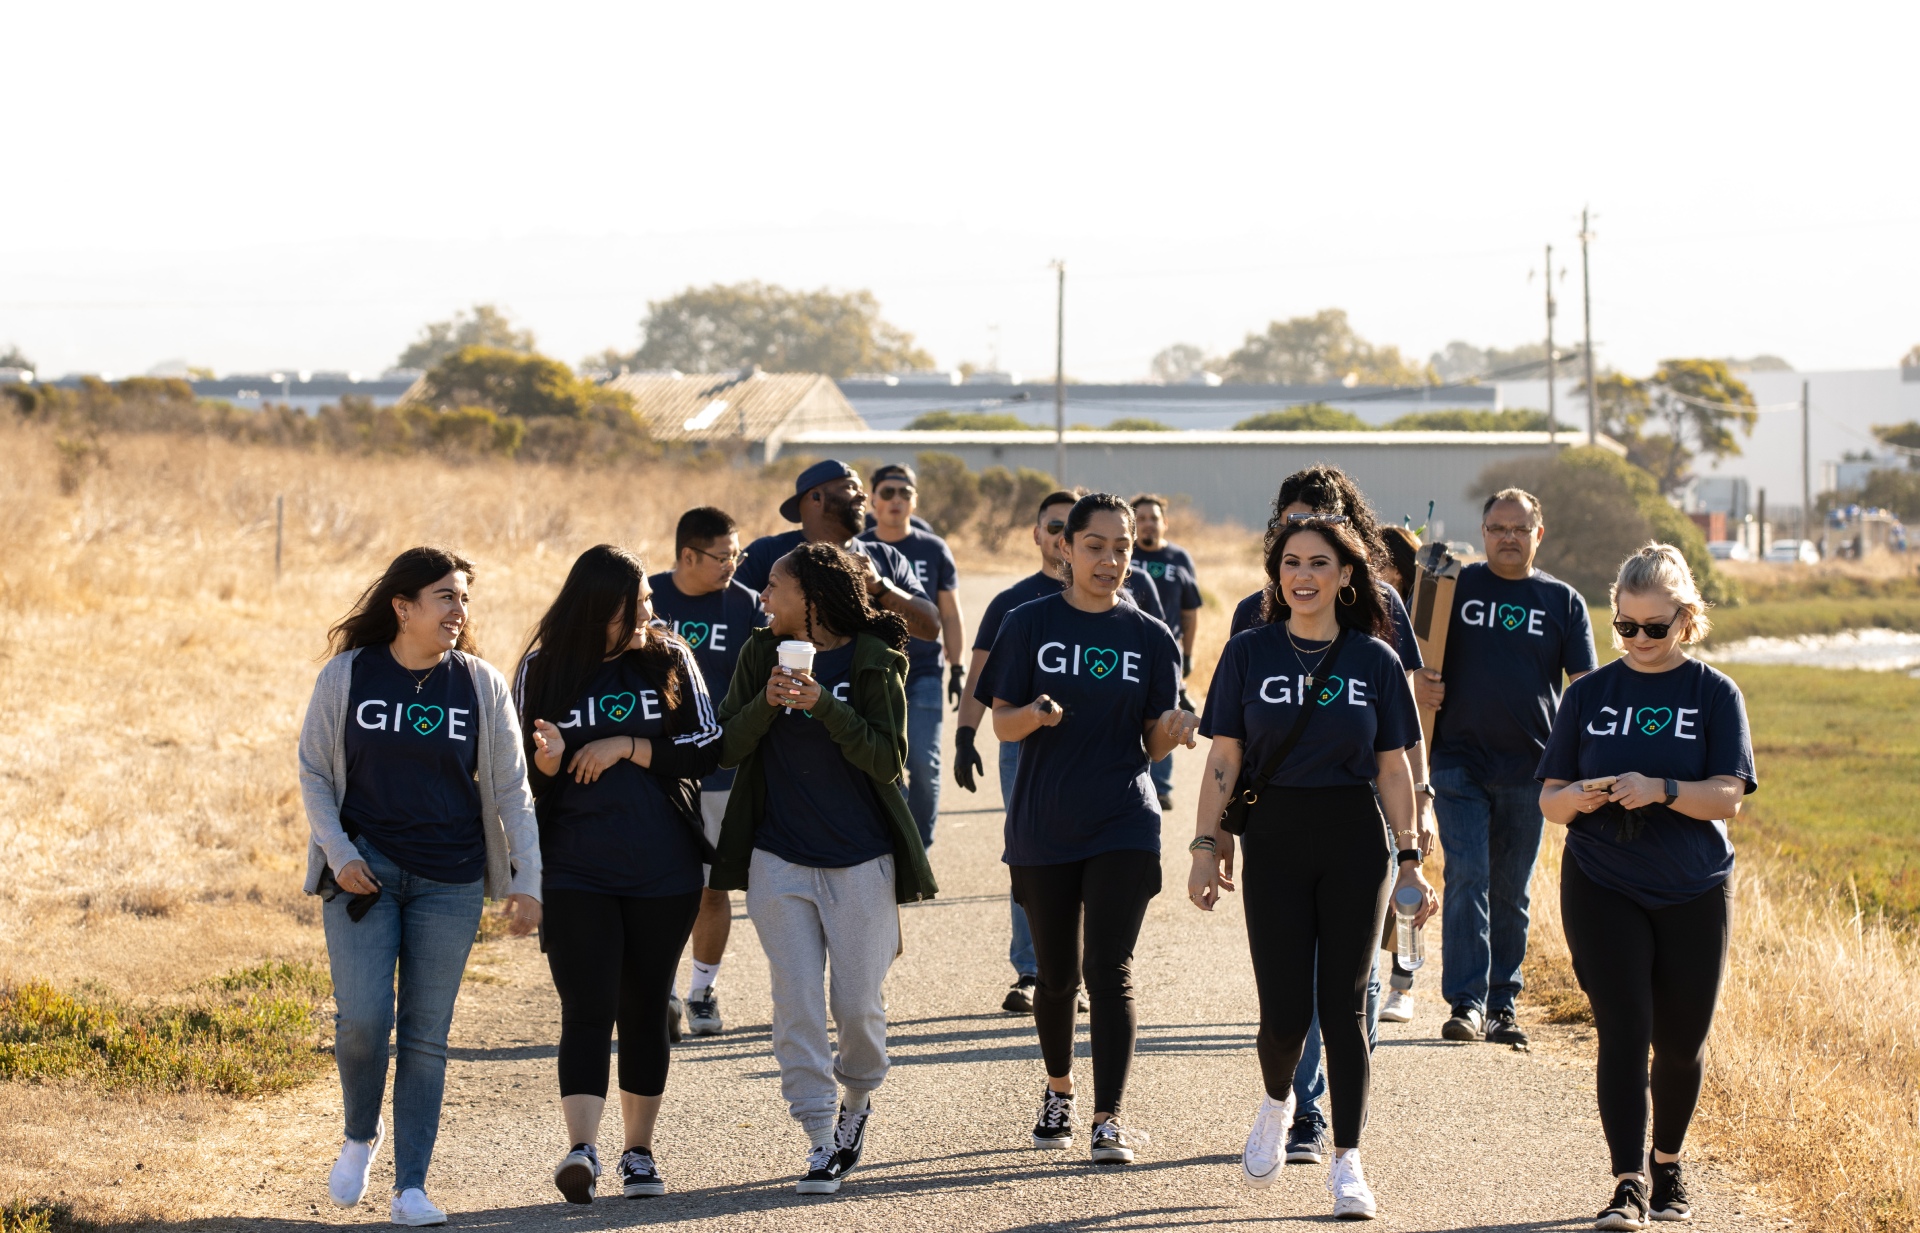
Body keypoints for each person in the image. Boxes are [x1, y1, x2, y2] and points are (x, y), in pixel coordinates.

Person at [1189, 516, 1436, 1218]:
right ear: (1277, 575)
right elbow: (1224, 759)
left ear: (1347, 575)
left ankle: (1348, 1162)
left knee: (1344, 1006)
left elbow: (1395, 769)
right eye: (1290, 563)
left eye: (1319, 563)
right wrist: (1205, 846)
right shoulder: (1247, 653)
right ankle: (1276, 1101)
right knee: (1284, 1011)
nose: (1303, 575)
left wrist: (1413, 856)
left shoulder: (1376, 661)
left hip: (1356, 836)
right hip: (1275, 836)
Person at [298, 547, 542, 1227]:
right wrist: (339, 854)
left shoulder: (481, 685)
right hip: (364, 875)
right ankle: (359, 1134)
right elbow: (314, 772)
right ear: (403, 606)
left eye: (464, 599)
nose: (459, 612)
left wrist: (529, 880)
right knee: (363, 1021)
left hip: (451, 878)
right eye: (445, 598)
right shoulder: (348, 674)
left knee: (427, 1034)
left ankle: (411, 1186)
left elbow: (512, 793)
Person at [709, 542, 938, 1196]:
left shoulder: (872, 656)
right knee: (798, 1004)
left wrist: (821, 704)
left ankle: (857, 1101)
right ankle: (817, 1136)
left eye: (775, 587)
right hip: (777, 858)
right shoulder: (761, 653)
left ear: (810, 598)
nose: (763, 598)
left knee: (857, 1005)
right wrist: (768, 703)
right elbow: (726, 742)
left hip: (860, 860)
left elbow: (888, 757)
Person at [1539, 544, 1754, 1230]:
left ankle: (1668, 1161)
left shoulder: (1715, 694)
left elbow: (1727, 796)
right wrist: (1583, 793)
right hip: (1603, 879)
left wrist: (1660, 789)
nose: (1637, 640)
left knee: (1681, 1042)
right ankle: (1627, 1182)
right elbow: (1549, 800)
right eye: (1625, 626)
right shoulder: (1588, 694)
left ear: (1686, 621)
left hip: (1694, 886)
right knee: (1624, 1029)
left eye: (1653, 628)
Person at [978, 493, 1196, 1166]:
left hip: (1123, 820)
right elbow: (1002, 720)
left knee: (1110, 967)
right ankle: (1058, 1091)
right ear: (1065, 548)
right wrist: (1035, 715)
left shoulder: (1151, 638)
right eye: (1096, 546)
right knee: (1055, 975)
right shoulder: (1027, 622)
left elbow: (1153, 740)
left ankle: (1107, 1117)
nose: (1110, 560)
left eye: (1123, 547)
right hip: (1045, 822)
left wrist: (1174, 729)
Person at [515, 546, 723, 1203]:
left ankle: (639, 1153)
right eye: (634, 607)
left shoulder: (668, 657)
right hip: (574, 868)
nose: (648, 615)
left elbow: (708, 746)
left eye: (648, 604)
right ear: (594, 608)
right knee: (586, 1007)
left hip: (664, 868)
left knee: (642, 1006)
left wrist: (627, 746)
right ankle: (581, 1148)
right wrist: (548, 763)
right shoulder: (542, 667)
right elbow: (519, 773)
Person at [1414, 488, 1596, 1048]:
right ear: (1484, 532)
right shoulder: (1452, 587)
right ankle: (1466, 1004)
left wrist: (1583, 764)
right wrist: (1418, 681)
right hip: (1456, 760)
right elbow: (1412, 652)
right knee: (1468, 877)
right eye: (1497, 528)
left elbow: (1585, 690)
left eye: (1520, 529)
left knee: (1511, 890)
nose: (1508, 537)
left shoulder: (1563, 602)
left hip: (1531, 766)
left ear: (1538, 535)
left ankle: (1503, 1003)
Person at [954, 490, 1105, 1015]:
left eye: (1072, 527)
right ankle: (1031, 970)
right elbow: (980, 675)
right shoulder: (1011, 604)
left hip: (1094, 755)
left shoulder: (1117, 599)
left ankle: (1079, 973)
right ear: (1039, 535)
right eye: (1054, 526)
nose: (1062, 536)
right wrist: (965, 734)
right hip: (1024, 748)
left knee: (1089, 861)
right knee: (1030, 859)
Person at [648, 506, 767, 1037]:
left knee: (711, 890)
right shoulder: (647, 598)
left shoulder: (744, 605)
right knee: (655, 886)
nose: (732, 566)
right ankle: (659, 993)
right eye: (723, 557)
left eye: (737, 555)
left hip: (720, 772)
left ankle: (701, 992)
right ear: (687, 555)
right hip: (654, 769)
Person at [859, 462, 965, 849]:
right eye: (887, 492)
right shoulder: (857, 547)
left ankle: (918, 847)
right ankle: (896, 842)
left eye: (905, 493)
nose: (896, 500)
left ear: (914, 500)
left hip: (921, 672)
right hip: (871, 673)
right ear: (872, 500)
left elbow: (949, 612)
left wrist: (957, 666)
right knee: (884, 766)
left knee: (924, 763)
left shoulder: (932, 549)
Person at [733, 458, 939, 643]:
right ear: (816, 498)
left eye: (861, 488)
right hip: (788, 682)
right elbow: (730, 613)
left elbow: (931, 628)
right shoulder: (768, 553)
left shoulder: (886, 558)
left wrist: (880, 587)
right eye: (850, 487)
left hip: (864, 685)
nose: (863, 496)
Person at [1372, 522, 1424, 1025]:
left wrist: (1423, 795)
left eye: (1388, 567)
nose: (1378, 573)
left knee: (1407, 883)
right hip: (1354, 780)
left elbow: (1411, 727)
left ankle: (1403, 981)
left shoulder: (1404, 616)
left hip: (1401, 773)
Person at [1130, 494, 1202, 811]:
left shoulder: (1179, 558)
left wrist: (1188, 653)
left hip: (1166, 651)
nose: (1148, 523)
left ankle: (1160, 787)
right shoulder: (1123, 554)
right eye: (1141, 518)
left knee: (1166, 713)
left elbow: (1190, 610)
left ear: (1164, 522)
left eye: (1153, 517)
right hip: (1130, 649)